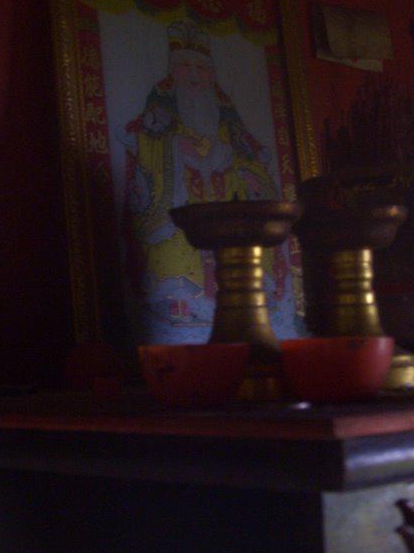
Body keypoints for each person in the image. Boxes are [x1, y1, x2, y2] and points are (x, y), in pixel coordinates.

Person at [122, 19, 289, 342]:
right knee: (172, 234)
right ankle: (183, 303)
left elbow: (254, 157)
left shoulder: (226, 118)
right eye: (186, 67)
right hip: (180, 198)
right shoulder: (161, 115)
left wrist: (238, 166)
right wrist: (174, 148)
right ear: (173, 73)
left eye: (202, 68)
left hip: (227, 194)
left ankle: (250, 303)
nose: (195, 76)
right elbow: (141, 144)